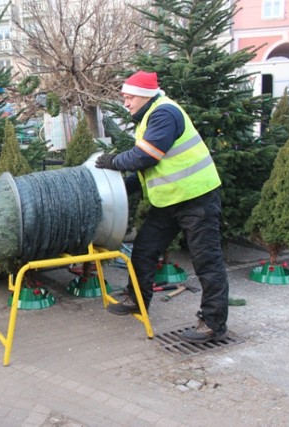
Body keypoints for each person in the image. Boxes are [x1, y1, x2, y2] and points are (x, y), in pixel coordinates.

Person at [95, 71, 229, 344]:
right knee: (143, 250)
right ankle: (137, 300)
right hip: (169, 202)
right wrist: (119, 188)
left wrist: (112, 161)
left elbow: (146, 156)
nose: (126, 103)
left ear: (144, 95)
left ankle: (213, 324)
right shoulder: (149, 117)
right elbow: (151, 167)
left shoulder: (164, 114)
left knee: (207, 262)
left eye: (129, 97)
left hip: (196, 199)